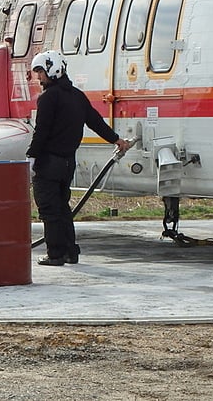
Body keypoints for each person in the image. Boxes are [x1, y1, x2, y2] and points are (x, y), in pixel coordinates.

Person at [26, 50, 130, 266]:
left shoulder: (48, 98)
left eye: (40, 72)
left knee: (49, 210)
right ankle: (71, 251)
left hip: (48, 163)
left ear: (51, 70)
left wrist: (31, 156)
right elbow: (95, 122)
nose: (38, 77)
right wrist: (116, 139)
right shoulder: (77, 96)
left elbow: (42, 131)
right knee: (63, 208)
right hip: (67, 163)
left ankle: (55, 254)